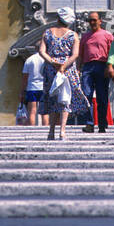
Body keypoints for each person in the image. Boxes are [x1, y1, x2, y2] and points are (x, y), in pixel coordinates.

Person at [38, 8, 86, 140]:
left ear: (58, 18)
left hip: (51, 69)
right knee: (65, 99)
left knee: (53, 98)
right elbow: (75, 54)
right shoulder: (73, 35)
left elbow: (42, 51)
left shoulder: (47, 33)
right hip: (67, 69)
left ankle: (51, 131)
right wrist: (63, 66)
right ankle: (62, 131)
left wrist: (53, 62)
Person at [78, 11, 114, 134]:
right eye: (90, 20)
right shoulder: (85, 36)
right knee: (86, 95)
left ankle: (102, 124)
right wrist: (78, 69)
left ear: (100, 21)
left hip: (102, 66)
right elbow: (80, 55)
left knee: (102, 97)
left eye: (94, 20)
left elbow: (112, 52)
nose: (92, 22)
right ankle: (89, 123)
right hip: (88, 67)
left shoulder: (107, 35)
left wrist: (111, 67)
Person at [22, 50, 49, 127]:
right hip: (44, 87)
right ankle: (46, 128)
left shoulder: (29, 59)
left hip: (32, 87)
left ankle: (31, 128)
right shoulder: (46, 59)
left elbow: (25, 77)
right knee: (45, 112)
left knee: (32, 111)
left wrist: (22, 91)